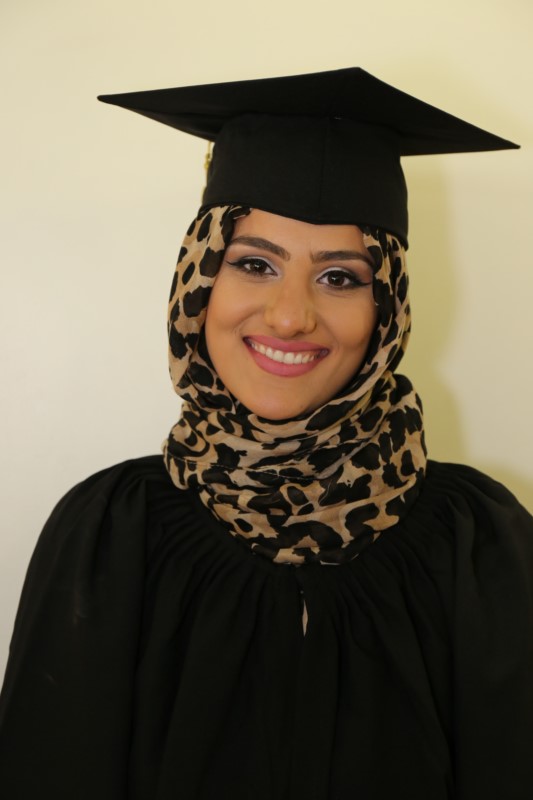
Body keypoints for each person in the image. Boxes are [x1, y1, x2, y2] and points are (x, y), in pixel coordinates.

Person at [0, 67, 532, 799]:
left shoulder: (481, 543)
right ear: (197, 284)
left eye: (340, 278)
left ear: (387, 309)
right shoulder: (110, 532)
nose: (289, 316)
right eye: (254, 264)